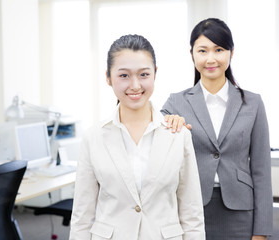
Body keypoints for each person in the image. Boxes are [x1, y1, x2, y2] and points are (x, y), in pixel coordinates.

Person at [69, 34, 205, 240]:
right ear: (108, 77)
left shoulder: (178, 135)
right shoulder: (93, 137)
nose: (135, 85)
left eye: (143, 75)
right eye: (124, 75)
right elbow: (82, 216)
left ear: (155, 74)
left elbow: (191, 213)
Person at [161, 18, 273, 240]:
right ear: (192, 54)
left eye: (219, 49)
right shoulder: (175, 104)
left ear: (232, 52)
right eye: (202, 50)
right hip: (188, 210)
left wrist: (261, 231)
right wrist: (168, 124)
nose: (210, 58)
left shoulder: (253, 103)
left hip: (240, 213)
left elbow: (261, 172)